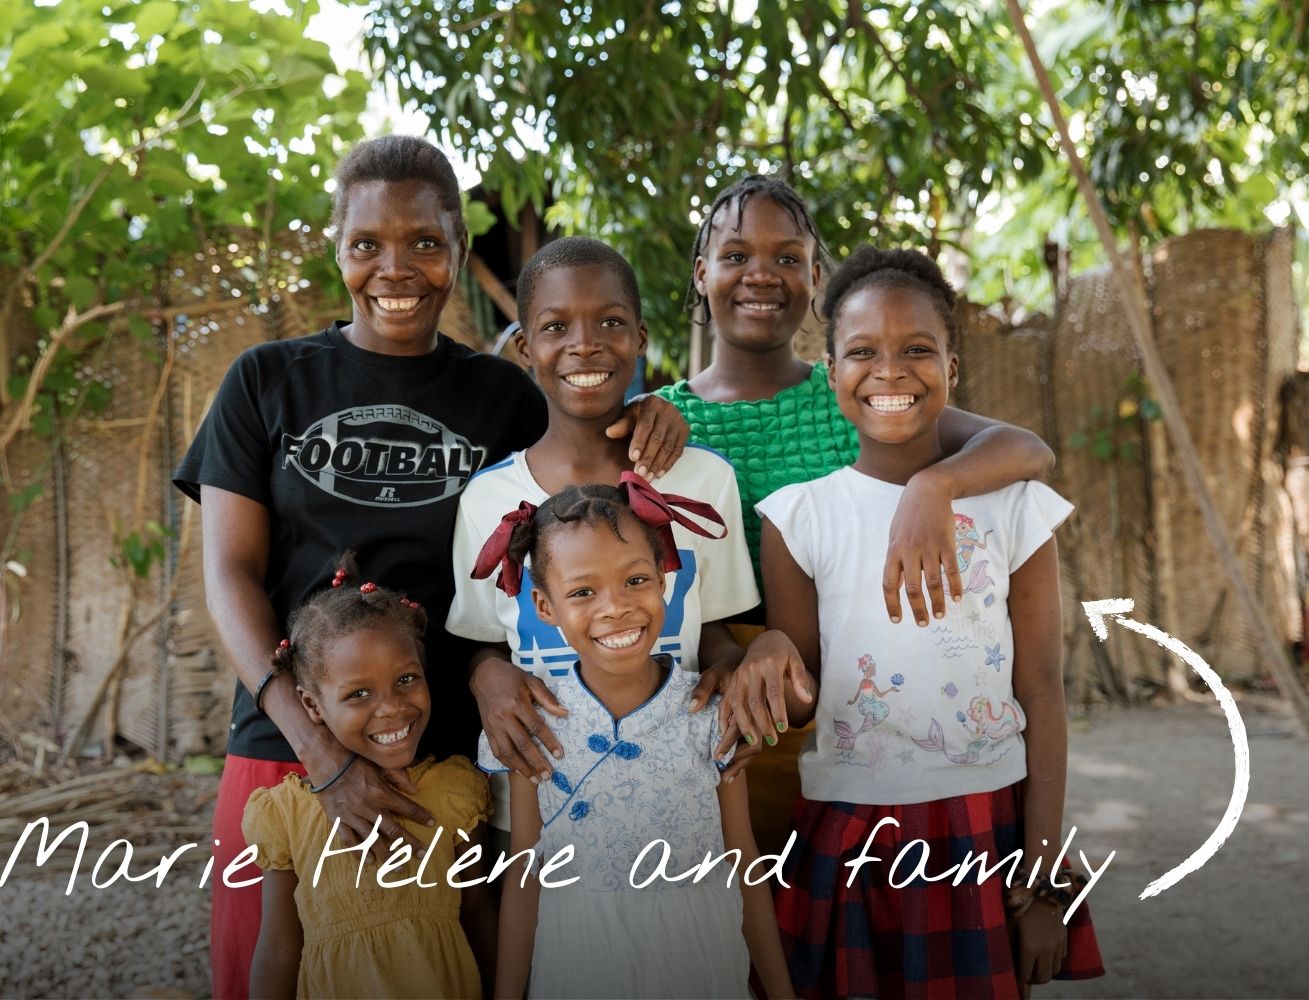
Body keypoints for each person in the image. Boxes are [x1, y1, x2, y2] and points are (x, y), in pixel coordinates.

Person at [172, 135, 687, 998]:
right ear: (336, 248)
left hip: (444, 750)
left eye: (423, 241)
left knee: (452, 969)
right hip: (286, 742)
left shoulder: (502, 396)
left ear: (457, 245)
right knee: (270, 972)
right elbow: (228, 575)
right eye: (366, 243)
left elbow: (589, 459)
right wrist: (318, 751)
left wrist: (654, 412)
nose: (395, 268)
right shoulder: (265, 381)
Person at [654, 175, 1057, 851]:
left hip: (834, 683)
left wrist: (934, 486)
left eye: (787, 258)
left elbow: (1027, 449)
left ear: (815, 276)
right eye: (736, 255)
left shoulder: (859, 393)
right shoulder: (664, 420)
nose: (761, 274)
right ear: (701, 273)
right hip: (713, 687)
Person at [748, 247, 1103, 998]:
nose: (890, 371)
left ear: (953, 365)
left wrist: (1044, 876)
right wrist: (770, 660)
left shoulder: (1015, 507)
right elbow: (803, 700)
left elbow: (1042, 691)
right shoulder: (797, 518)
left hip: (986, 822)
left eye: (917, 349)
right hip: (849, 824)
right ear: (830, 370)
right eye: (862, 352)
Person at [448, 237, 760, 836]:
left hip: (681, 798)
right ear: (525, 348)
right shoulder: (487, 498)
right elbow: (481, 640)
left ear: (640, 338)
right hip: (543, 805)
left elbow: (715, 626)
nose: (585, 343)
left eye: (610, 322)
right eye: (556, 326)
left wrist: (732, 669)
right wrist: (484, 675)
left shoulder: (703, 478)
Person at [474, 484, 794, 999]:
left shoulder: (712, 714)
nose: (616, 607)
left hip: (699, 964)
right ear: (544, 605)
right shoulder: (530, 723)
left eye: (636, 580)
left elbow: (743, 860)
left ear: (664, 582)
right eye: (583, 592)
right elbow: (526, 874)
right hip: (579, 968)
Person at [245, 566, 493, 999]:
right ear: (312, 706)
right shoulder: (286, 816)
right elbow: (279, 949)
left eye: (406, 680)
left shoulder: (456, 793)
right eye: (359, 693)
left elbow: (478, 915)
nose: (392, 708)